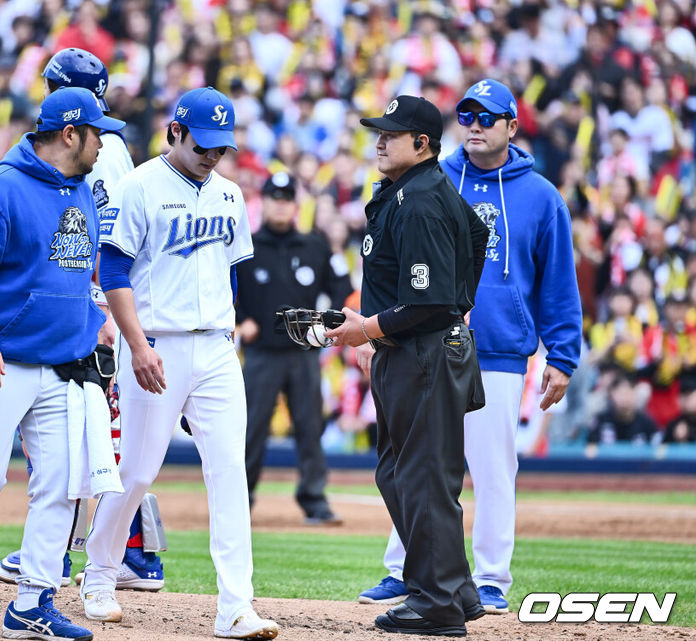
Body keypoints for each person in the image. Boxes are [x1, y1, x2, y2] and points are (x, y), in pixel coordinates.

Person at [359, 79, 583, 615]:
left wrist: (563, 354)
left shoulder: (541, 197)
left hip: (501, 348)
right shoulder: (431, 179)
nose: (476, 126)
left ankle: (488, 578)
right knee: (419, 466)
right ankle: (406, 570)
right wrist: (376, 329)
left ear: (512, 125)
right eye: (467, 116)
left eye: (488, 117)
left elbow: (557, 282)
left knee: (490, 467)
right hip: (420, 343)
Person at [81, 87, 279, 640]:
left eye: (221, 146)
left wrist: (229, 337)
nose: (212, 155)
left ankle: (236, 605)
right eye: (202, 144)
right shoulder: (137, 186)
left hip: (215, 347)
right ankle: (98, 575)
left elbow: (232, 272)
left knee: (229, 474)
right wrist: (137, 345)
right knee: (138, 471)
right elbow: (113, 271)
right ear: (175, 131)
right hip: (155, 342)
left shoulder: (231, 196)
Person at [0, 46, 166, 598]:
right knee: (97, 439)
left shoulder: (97, 150)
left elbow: (101, 239)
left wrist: (102, 308)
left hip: (94, 299)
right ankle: (129, 552)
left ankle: (92, 555)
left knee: (91, 440)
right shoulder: (111, 147)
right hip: (100, 298)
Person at [0, 86, 126, 641]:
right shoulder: (1, 189)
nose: (105, 143)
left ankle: (32, 602)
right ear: (71, 133)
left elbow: (74, 273)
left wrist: (94, 316)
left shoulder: (80, 192)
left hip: (63, 366)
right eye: (99, 132)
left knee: (62, 485)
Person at [323, 95, 488, 636]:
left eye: (391, 134)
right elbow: (477, 234)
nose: (379, 140)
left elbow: (429, 300)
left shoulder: (418, 200)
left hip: (422, 353)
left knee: (419, 477)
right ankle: (453, 589)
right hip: (417, 350)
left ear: (422, 144)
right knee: (403, 474)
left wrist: (367, 328)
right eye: (378, 132)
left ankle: (436, 603)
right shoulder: (417, 191)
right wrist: (460, 296)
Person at [235, 171, 352, 524]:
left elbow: (342, 286)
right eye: (275, 198)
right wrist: (241, 319)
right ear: (264, 201)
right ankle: (239, 500)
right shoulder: (246, 247)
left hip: (303, 353)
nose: (281, 205)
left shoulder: (316, 246)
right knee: (251, 427)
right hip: (261, 353)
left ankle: (314, 500)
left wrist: (327, 322)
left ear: (295, 205)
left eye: (287, 199)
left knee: (309, 427)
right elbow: (224, 288)